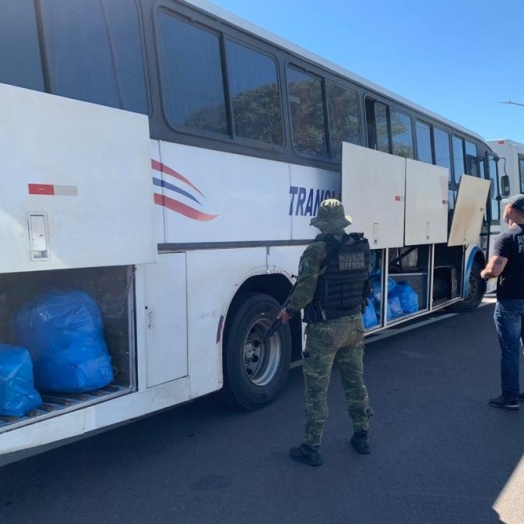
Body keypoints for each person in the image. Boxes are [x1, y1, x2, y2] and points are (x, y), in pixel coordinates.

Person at [277, 198, 372, 466]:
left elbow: (305, 291)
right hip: (354, 324)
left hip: (325, 329)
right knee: (356, 382)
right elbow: (366, 283)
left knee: (317, 390)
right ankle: (362, 435)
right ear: (342, 222)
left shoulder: (315, 251)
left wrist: (288, 312)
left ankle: (312, 447)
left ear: (321, 223)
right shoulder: (361, 246)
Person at [481, 194, 524, 410]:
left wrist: (483, 274)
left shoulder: (507, 237)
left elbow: (495, 269)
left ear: (510, 209)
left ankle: (510, 397)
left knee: (510, 350)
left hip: (510, 302)